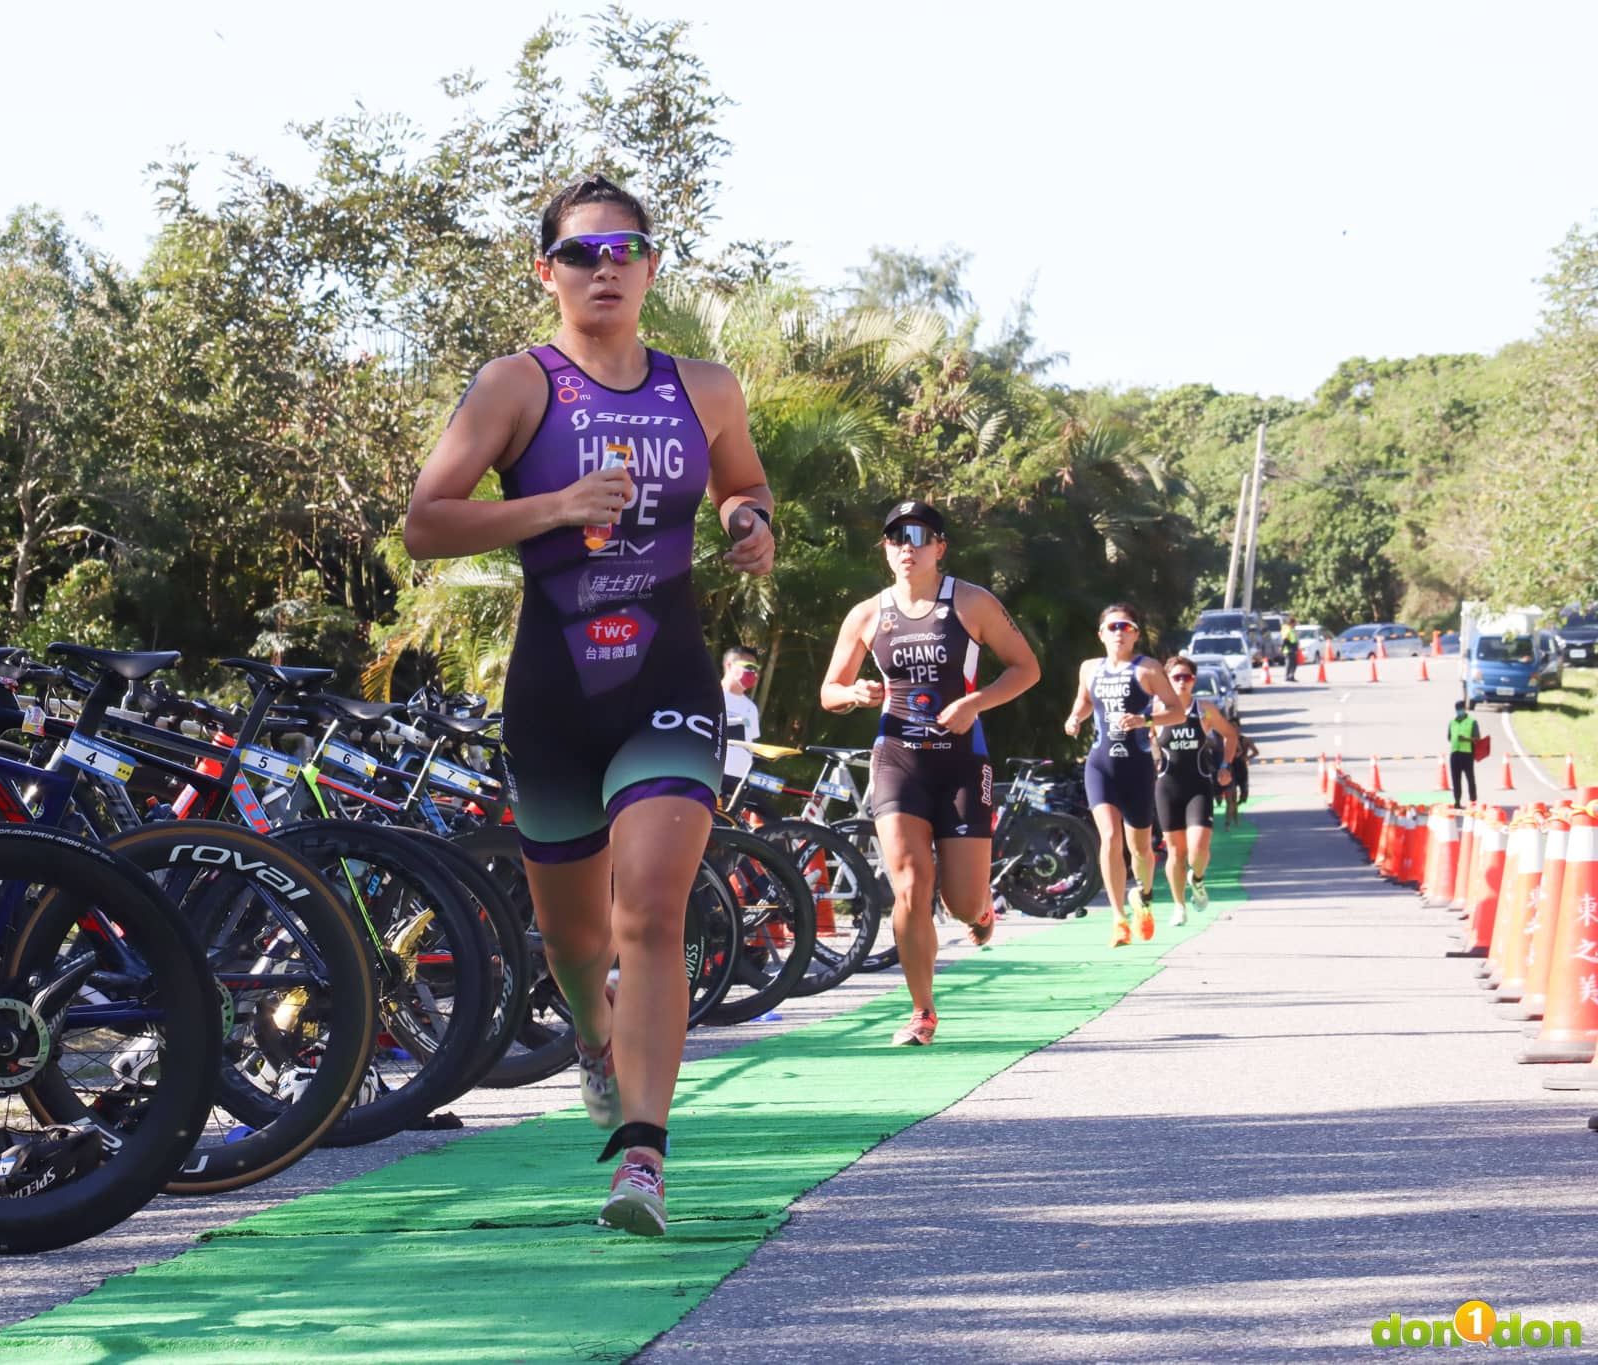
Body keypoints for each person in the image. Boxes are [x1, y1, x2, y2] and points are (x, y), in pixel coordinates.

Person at [403, 173, 774, 1238]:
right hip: (554, 692)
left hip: (666, 679)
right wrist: (556, 507)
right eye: (580, 253)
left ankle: (641, 1159)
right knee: (574, 944)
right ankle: (587, 1033)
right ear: (546, 272)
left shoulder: (703, 388)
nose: (603, 267)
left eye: (625, 249)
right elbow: (426, 522)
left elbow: (744, 486)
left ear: (652, 267)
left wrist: (750, 523)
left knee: (651, 906)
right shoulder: (517, 386)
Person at [818, 500, 1041, 1045]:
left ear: (941, 547)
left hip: (962, 762)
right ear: (887, 549)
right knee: (911, 887)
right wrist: (854, 693)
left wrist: (976, 703)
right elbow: (829, 691)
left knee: (960, 901)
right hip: (898, 760)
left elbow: (1027, 668)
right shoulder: (868, 614)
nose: (907, 547)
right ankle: (922, 1011)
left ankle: (979, 909)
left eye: (919, 536)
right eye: (896, 537)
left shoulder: (970, 602)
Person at [1065, 603, 1185, 946]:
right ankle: (1118, 918)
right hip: (1101, 764)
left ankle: (1143, 896)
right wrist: (1075, 718)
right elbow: (1084, 701)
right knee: (1109, 838)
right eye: (1113, 627)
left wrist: (1145, 721)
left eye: (1126, 627)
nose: (1119, 633)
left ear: (1136, 634)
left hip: (1136, 766)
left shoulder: (1146, 669)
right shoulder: (1089, 668)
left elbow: (1176, 713)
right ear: (1101, 634)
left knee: (1141, 848)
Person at [1152, 654, 1239, 925]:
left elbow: (1231, 735)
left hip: (1198, 785)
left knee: (1199, 848)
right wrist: (1153, 758)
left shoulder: (1205, 710)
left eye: (1187, 677)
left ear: (1193, 681)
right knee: (1176, 852)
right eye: (1176, 677)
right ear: (1167, 680)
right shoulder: (1155, 710)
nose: (1182, 682)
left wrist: (1226, 765)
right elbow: (1144, 738)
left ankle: (1197, 879)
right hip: (1168, 787)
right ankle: (1179, 906)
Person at [719, 645, 762, 790]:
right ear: (729, 666)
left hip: (739, 782)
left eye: (756, 669)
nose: (753, 673)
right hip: (712, 776)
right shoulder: (710, 696)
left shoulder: (751, 708)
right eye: (748, 667)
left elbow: (750, 746)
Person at [1449, 700, 1481, 805]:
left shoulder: (1472, 722)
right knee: (1455, 779)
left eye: (1461, 709)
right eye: (1457, 710)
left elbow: (1477, 738)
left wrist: (1466, 739)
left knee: (1470, 778)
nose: (1459, 711)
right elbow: (1449, 737)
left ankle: (1473, 801)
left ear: (1464, 709)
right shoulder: (1452, 723)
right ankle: (1457, 801)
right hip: (1455, 753)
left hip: (1467, 753)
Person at [1282, 616, 1300, 682]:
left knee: (1294, 664)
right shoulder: (1288, 630)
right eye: (1294, 623)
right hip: (1289, 649)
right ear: (1291, 623)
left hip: (1293, 649)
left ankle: (1291, 676)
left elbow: (1294, 639)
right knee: (1289, 664)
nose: (1295, 624)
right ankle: (1287, 677)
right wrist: (1282, 648)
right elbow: (1285, 640)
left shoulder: (1292, 630)